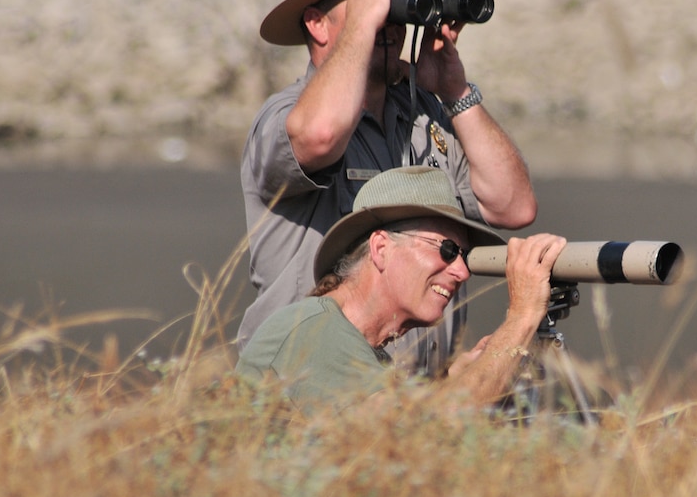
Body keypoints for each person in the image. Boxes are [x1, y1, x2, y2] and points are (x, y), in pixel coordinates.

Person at [238, 0, 538, 377]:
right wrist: (364, 24)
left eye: (395, 6)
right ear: (317, 24)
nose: (389, 25)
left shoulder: (425, 119)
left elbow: (512, 206)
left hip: (410, 402)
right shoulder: (285, 117)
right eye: (369, 4)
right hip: (312, 388)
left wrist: (455, 89)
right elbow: (320, 135)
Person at [236, 167, 565, 412]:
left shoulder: (355, 345)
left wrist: (457, 378)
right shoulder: (314, 331)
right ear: (380, 248)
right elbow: (415, 437)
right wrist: (522, 316)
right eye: (447, 250)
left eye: (464, 257)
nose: (462, 272)